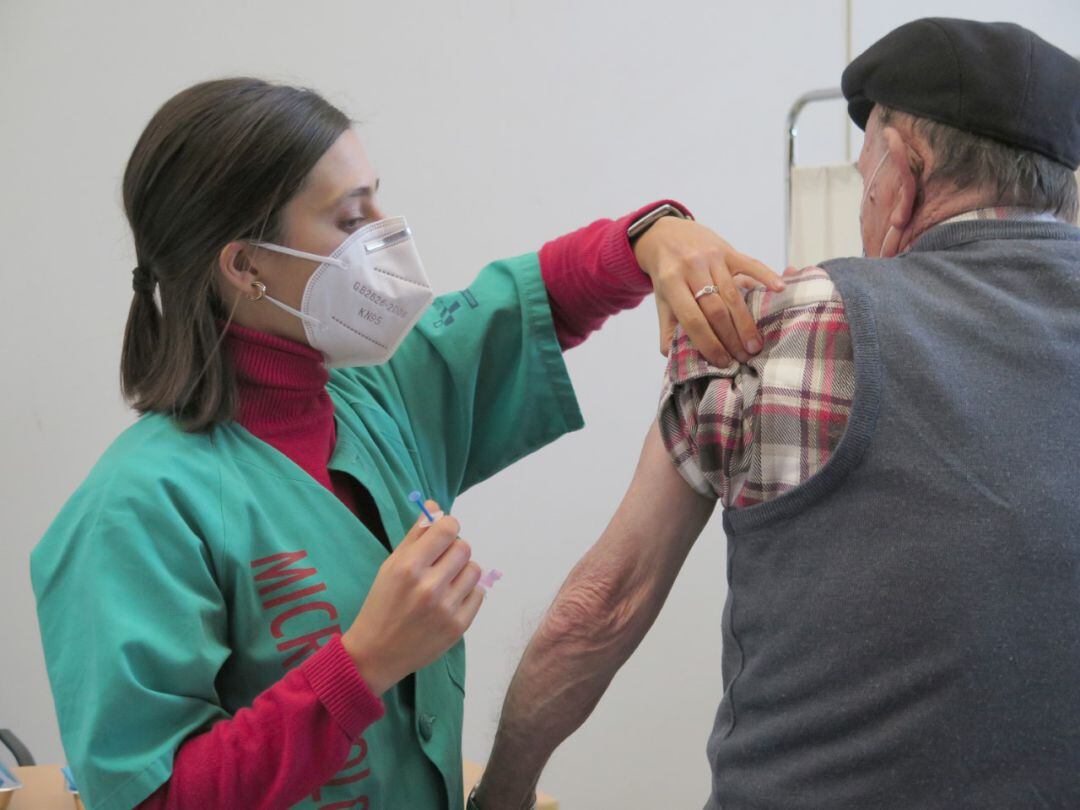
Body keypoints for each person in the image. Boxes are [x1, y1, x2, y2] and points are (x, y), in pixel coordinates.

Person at [29, 77, 784, 810]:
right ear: (245, 264)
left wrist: (654, 236)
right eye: (350, 219)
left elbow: (532, 301)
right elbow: (150, 797)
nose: (384, 237)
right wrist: (364, 664)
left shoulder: (373, 401)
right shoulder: (134, 513)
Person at [473, 18, 1080, 810]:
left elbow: (600, 608)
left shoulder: (779, 324)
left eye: (865, 177)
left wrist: (503, 796)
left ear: (904, 172)